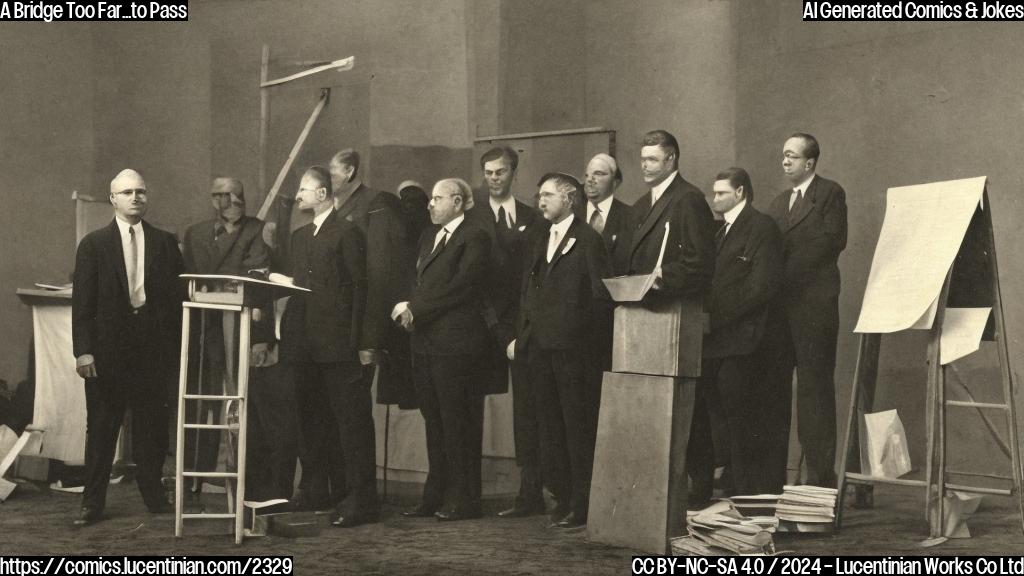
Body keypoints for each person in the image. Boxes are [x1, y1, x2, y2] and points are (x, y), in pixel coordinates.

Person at [72, 169, 185, 526]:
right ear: (113, 199)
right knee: (103, 428)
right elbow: (83, 304)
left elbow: (177, 300)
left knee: (152, 428)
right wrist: (83, 351)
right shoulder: (93, 245)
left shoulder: (166, 244)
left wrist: (173, 349)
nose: (136, 197)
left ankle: (154, 496)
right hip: (107, 354)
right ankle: (92, 503)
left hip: (152, 353)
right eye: (127, 192)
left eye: (141, 191)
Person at [512, 173, 612, 528]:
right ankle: (563, 496)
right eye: (539, 195)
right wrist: (524, 336)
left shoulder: (587, 239)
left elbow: (600, 299)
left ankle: (582, 503)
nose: (541, 201)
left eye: (549, 196)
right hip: (540, 349)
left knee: (577, 429)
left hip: (574, 353)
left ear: (570, 200)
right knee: (549, 428)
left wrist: (582, 342)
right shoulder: (540, 237)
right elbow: (528, 291)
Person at [279, 165, 377, 527]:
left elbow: (361, 290)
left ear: (323, 195)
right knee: (310, 421)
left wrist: (363, 344)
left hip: (339, 347)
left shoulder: (348, 233)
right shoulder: (300, 237)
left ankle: (361, 500)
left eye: (305, 189)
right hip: (303, 346)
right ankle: (317, 489)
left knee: (351, 425)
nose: (299, 195)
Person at [392, 178, 492, 521]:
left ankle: (463, 499)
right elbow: (417, 279)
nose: (431, 204)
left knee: (456, 423)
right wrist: (407, 302)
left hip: (455, 346)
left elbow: (460, 288)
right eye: (431, 198)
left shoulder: (474, 237)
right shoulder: (429, 236)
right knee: (433, 421)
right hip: (425, 343)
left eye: (437, 198)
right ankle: (434, 496)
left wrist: (415, 309)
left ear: (459, 202)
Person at [687, 168, 783, 503]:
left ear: (740, 193)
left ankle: (747, 496)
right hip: (717, 343)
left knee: (741, 420)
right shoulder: (719, 232)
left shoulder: (761, 227)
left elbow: (761, 287)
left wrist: (716, 319)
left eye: (721, 194)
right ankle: (730, 489)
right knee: (718, 418)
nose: (714, 200)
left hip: (745, 342)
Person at [466, 146, 550, 518]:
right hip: (478, 327)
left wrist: (519, 330)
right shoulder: (470, 217)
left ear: (514, 172)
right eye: (488, 172)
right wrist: (497, 328)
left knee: (529, 411)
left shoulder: (533, 218)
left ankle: (529, 493)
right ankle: (463, 495)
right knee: (465, 410)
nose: (493, 178)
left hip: (522, 328)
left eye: (500, 171)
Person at [181, 177, 276, 496]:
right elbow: (189, 280)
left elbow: (261, 286)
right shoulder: (195, 234)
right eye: (219, 195)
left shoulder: (256, 230)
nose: (227, 201)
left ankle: (238, 475)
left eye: (234, 195)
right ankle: (203, 473)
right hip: (202, 329)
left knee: (239, 396)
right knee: (203, 397)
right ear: (211, 199)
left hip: (239, 326)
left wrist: (262, 338)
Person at [765, 133, 848, 488]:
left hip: (813, 308)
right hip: (781, 311)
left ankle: (819, 479)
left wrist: (778, 273)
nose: (785, 162)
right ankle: (773, 476)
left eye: (791, 157)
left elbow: (830, 243)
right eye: (783, 156)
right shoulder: (779, 202)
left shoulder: (829, 194)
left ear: (809, 163)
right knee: (776, 388)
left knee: (815, 389)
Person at [329, 150, 417, 408]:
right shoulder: (336, 207)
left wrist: (371, 339)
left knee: (353, 407)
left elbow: (382, 273)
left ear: (350, 171)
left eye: (332, 173)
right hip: (335, 329)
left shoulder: (377, 203)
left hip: (361, 328)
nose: (327, 179)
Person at [615, 130, 715, 297]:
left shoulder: (689, 199)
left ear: (670, 160)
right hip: (635, 304)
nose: (644, 166)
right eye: (643, 159)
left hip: (669, 305)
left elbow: (701, 263)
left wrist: (664, 276)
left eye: (652, 160)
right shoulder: (640, 205)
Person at [579, 153, 632, 259]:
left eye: (598, 174)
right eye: (587, 175)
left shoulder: (630, 216)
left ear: (615, 182)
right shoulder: (572, 214)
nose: (589, 179)